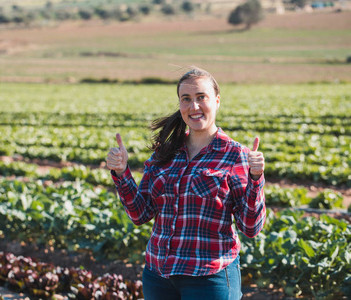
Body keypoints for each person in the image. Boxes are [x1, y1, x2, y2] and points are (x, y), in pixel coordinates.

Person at [106, 67, 266, 300]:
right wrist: (121, 172)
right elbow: (140, 214)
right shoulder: (166, 152)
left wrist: (255, 178)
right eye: (186, 99)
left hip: (209, 279)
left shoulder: (235, 155)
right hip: (159, 275)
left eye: (202, 97)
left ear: (217, 101)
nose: (194, 106)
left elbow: (250, 228)